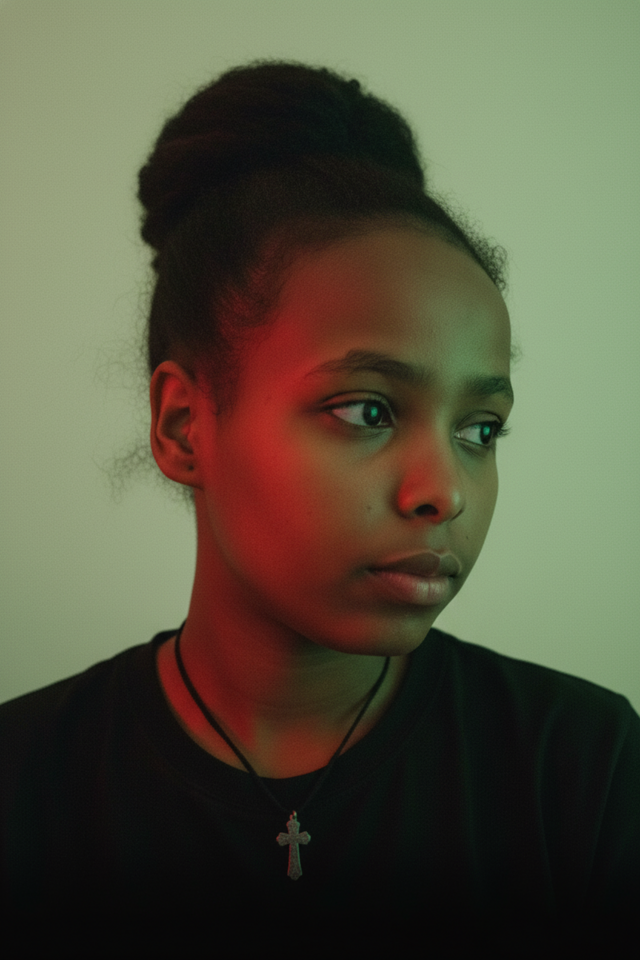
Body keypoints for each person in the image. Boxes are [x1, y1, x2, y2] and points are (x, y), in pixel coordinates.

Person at [0, 60, 638, 953]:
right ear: (184, 426)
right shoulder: (24, 781)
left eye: (480, 429)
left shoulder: (581, 766)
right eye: (367, 411)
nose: (445, 490)